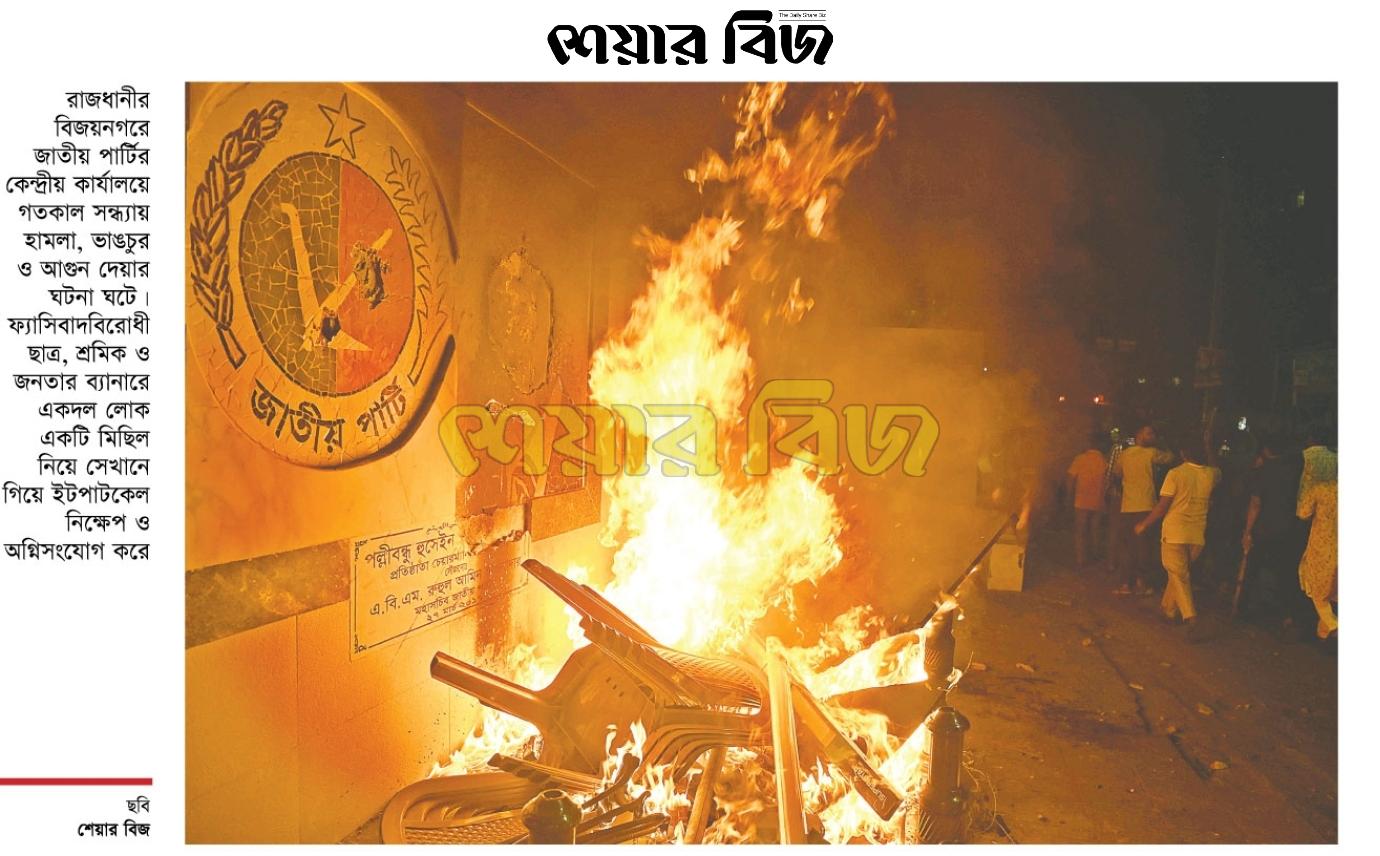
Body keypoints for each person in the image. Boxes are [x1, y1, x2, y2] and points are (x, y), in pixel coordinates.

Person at [1135, 434, 1221, 640]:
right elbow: (1217, 468)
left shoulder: (1175, 474)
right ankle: (1168, 609)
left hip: (1175, 532)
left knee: (1179, 575)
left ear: (1183, 454)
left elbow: (1162, 506)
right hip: (1197, 535)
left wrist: (1144, 524)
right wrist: (1209, 446)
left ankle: (1191, 618)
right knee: (1178, 574)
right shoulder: (1211, 474)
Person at [1239, 432, 1310, 635]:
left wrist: (1247, 531)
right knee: (1286, 573)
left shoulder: (1264, 471)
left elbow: (1255, 503)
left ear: (1266, 450)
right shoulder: (1296, 471)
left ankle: (1242, 608)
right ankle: (1289, 616)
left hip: (1264, 529)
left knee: (1252, 569)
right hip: (1288, 529)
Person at [1111, 424, 1176, 595]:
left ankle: (1126, 583)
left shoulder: (1124, 455)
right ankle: (1143, 583)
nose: (1152, 436)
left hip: (1127, 505)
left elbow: (1117, 474)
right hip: (1146, 505)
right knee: (1144, 546)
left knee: (1128, 546)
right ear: (1140, 435)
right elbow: (1170, 458)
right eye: (1149, 433)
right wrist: (1162, 442)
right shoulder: (1152, 453)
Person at [1297, 472, 1338, 640]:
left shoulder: (1322, 488)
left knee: (1316, 588)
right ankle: (1326, 629)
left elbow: (1303, 512)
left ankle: (1332, 625)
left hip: (1323, 547)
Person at [1065, 432, 1108, 570]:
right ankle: (1095, 554)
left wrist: (1068, 495)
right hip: (1098, 499)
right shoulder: (1104, 461)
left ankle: (1081, 559)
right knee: (1095, 528)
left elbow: (1071, 478)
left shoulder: (1080, 459)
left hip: (1081, 499)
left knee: (1080, 529)